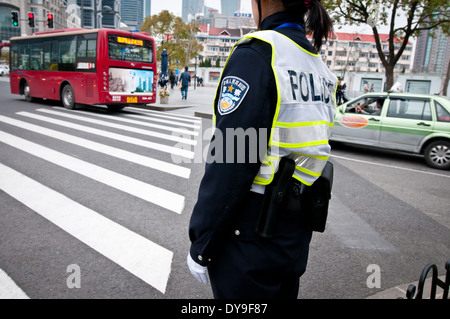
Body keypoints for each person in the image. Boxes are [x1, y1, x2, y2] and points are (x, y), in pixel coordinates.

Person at [187, 0, 337, 299]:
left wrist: (203, 243)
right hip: (293, 233)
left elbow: (233, 159)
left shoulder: (259, 53)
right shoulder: (318, 66)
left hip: (249, 236)